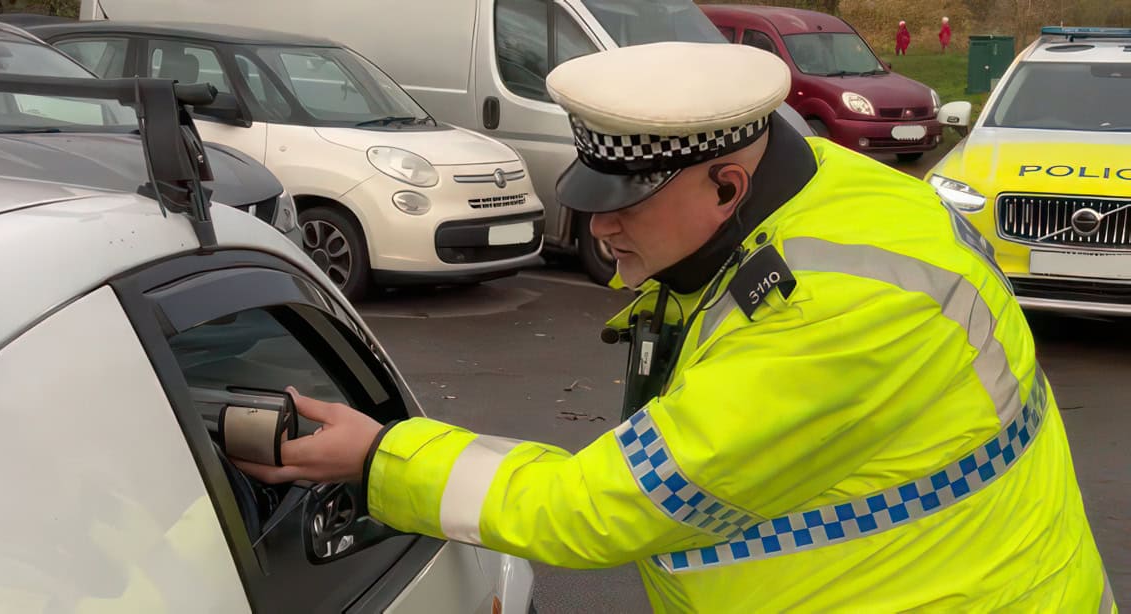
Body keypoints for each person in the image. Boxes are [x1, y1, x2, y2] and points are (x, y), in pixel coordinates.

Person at [235, 42, 1115, 612]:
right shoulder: (836, 188)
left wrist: (381, 458)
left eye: (628, 207)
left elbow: (595, 510)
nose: (597, 229)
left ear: (727, 187)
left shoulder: (834, 316)